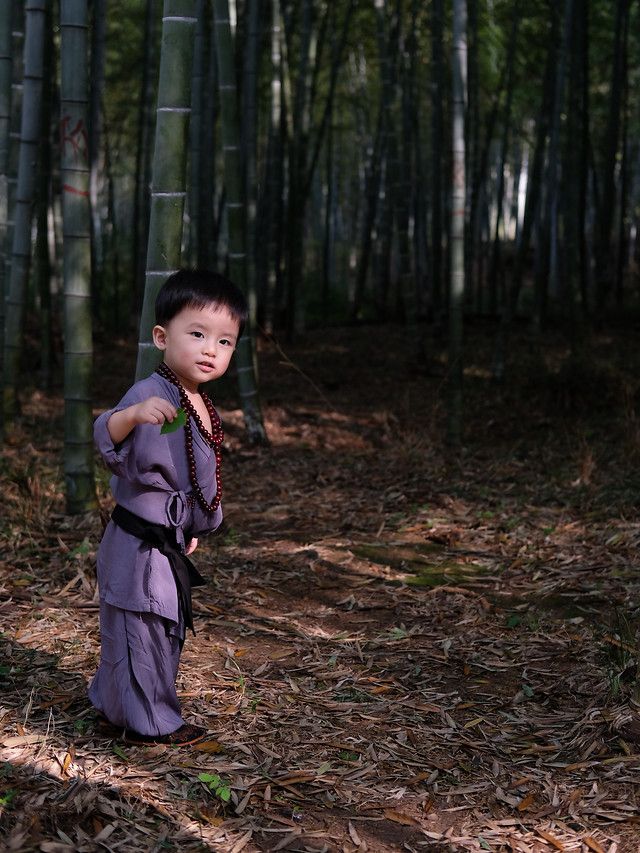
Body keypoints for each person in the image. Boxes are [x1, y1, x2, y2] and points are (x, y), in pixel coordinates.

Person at [89, 269, 248, 746]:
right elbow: (106, 437)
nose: (209, 349)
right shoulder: (149, 394)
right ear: (162, 337)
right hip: (138, 542)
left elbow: (195, 477)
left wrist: (191, 525)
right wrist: (130, 416)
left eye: (224, 341)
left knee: (160, 627)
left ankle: (120, 708)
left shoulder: (198, 400)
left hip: (166, 539)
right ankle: (152, 722)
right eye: (196, 334)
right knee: (142, 627)